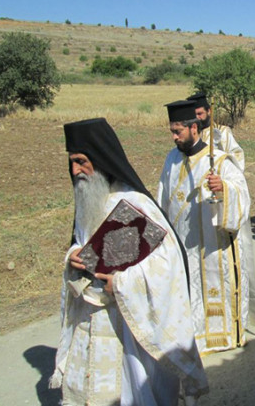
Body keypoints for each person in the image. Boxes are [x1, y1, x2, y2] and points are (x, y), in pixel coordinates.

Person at [52, 118, 208, 405]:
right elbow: (81, 240)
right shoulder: (89, 198)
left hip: (129, 322)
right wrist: (72, 256)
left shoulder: (136, 203)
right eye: (71, 162)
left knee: (130, 390)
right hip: (91, 316)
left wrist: (123, 283)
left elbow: (168, 263)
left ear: (99, 158)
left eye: (81, 161)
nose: (75, 171)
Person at [157, 100, 255, 354]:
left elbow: (243, 195)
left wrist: (223, 189)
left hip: (214, 245)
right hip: (183, 242)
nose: (173, 137)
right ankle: (193, 337)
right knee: (188, 287)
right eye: (171, 131)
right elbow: (163, 197)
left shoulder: (219, 161)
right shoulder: (171, 158)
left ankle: (222, 335)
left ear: (194, 128)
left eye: (177, 131)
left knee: (213, 285)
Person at [187, 91, 245, 170]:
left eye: (200, 114)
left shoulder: (222, 131)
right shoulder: (191, 134)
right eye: (194, 115)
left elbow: (237, 154)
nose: (197, 118)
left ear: (209, 111)